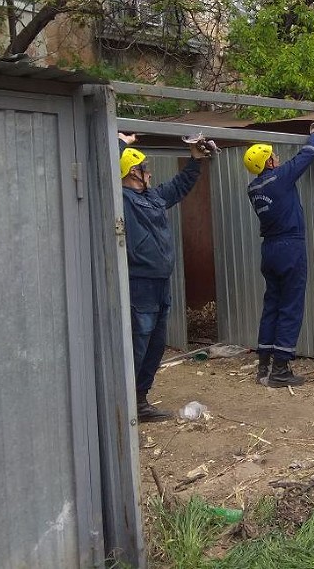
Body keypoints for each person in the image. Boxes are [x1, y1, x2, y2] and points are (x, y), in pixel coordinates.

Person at [119, 133, 210, 421]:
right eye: (144, 167)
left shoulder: (152, 197)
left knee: (155, 345)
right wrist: (120, 144)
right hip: (140, 284)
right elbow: (103, 169)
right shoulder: (120, 199)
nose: (149, 172)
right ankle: (124, 404)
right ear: (133, 172)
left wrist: (195, 160)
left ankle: (140, 401)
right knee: (138, 344)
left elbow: (178, 186)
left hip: (160, 282)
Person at [243, 123, 314, 388]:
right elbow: (308, 154)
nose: (277, 157)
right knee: (291, 306)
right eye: (273, 155)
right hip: (289, 247)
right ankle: (280, 369)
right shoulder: (279, 178)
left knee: (272, 304)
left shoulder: (253, 188)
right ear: (268, 162)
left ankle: (264, 365)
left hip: (269, 249)